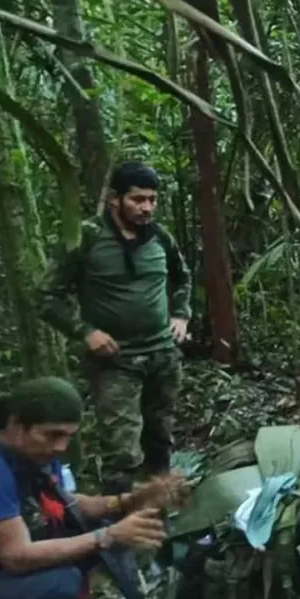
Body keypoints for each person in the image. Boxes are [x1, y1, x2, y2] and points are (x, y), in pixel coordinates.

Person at [0, 377, 181, 599]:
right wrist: (107, 536)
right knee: (62, 582)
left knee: (107, 530)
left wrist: (129, 500)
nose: (61, 446)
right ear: (15, 424)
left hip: (1, 563)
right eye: (52, 435)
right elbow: (17, 557)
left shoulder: (34, 454)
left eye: (69, 436)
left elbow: (70, 506)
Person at [39, 161, 191, 492]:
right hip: (115, 361)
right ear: (114, 199)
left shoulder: (160, 238)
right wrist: (85, 332)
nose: (147, 207)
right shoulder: (86, 238)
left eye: (152, 199)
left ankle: (160, 515)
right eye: (137, 199)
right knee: (122, 452)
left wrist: (181, 314)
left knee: (161, 439)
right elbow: (47, 297)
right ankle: (123, 528)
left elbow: (182, 278)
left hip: (162, 356)